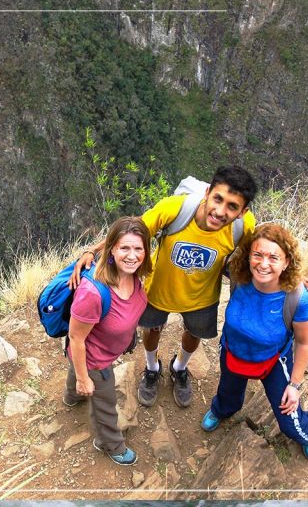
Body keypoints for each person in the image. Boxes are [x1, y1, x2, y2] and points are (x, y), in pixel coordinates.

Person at [70, 166, 258, 408]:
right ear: (208, 192)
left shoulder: (243, 227)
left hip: (202, 296)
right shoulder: (175, 209)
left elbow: (264, 251)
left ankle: (179, 368)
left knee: (194, 334)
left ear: (243, 212)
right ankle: (152, 368)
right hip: (159, 289)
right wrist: (92, 251)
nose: (220, 211)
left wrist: (295, 277)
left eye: (232, 206)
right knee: (152, 329)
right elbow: (132, 230)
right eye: (218, 199)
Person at [200, 223, 308, 459]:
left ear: (286, 262)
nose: (263, 263)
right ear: (248, 256)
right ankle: (222, 410)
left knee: (290, 423)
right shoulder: (239, 275)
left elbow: (304, 342)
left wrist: (295, 385)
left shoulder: (296, 298)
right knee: (227, 396)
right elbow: (210, 245)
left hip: (274, 360)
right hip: (233, 351)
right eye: (257, 254)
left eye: (273, 257)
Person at [64, 216, 151, 466]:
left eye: (138, 248)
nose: (132, 255)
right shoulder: (93, 293)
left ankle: (72, 397)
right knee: (106, 404)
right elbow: (76, 338)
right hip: (96, 360)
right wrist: (84, 377)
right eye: (125, 248)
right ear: (112, 248)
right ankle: (109, 443)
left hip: (100, 349)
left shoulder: (133, 276)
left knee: (76, 369)